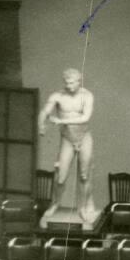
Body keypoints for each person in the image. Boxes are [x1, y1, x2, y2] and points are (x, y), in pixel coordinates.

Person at [38, 68, 98, 223]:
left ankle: (84, 206)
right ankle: (55, 204)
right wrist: (41, 124)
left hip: (84, 137)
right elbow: (45, 111)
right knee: (60, 177)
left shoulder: (87, 96)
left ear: (79, 81)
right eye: (67, 83)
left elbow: (85, 118)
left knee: (84, 175)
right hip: (67, 139)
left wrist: (61, 121)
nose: (69, 86)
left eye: (72, 83)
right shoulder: (57, 96)